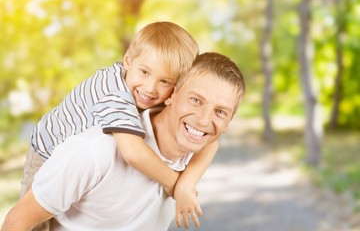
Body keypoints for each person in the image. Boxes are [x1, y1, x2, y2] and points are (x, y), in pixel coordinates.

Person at [1, 52, 246, 231]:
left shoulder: (193, 153)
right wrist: (176, 185)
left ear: (227, 125)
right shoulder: (96, 150)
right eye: (196, 100)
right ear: (172, 96)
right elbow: (17, 222)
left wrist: (183, 186)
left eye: (221, 112)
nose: (204, 120)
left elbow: (211, 145)